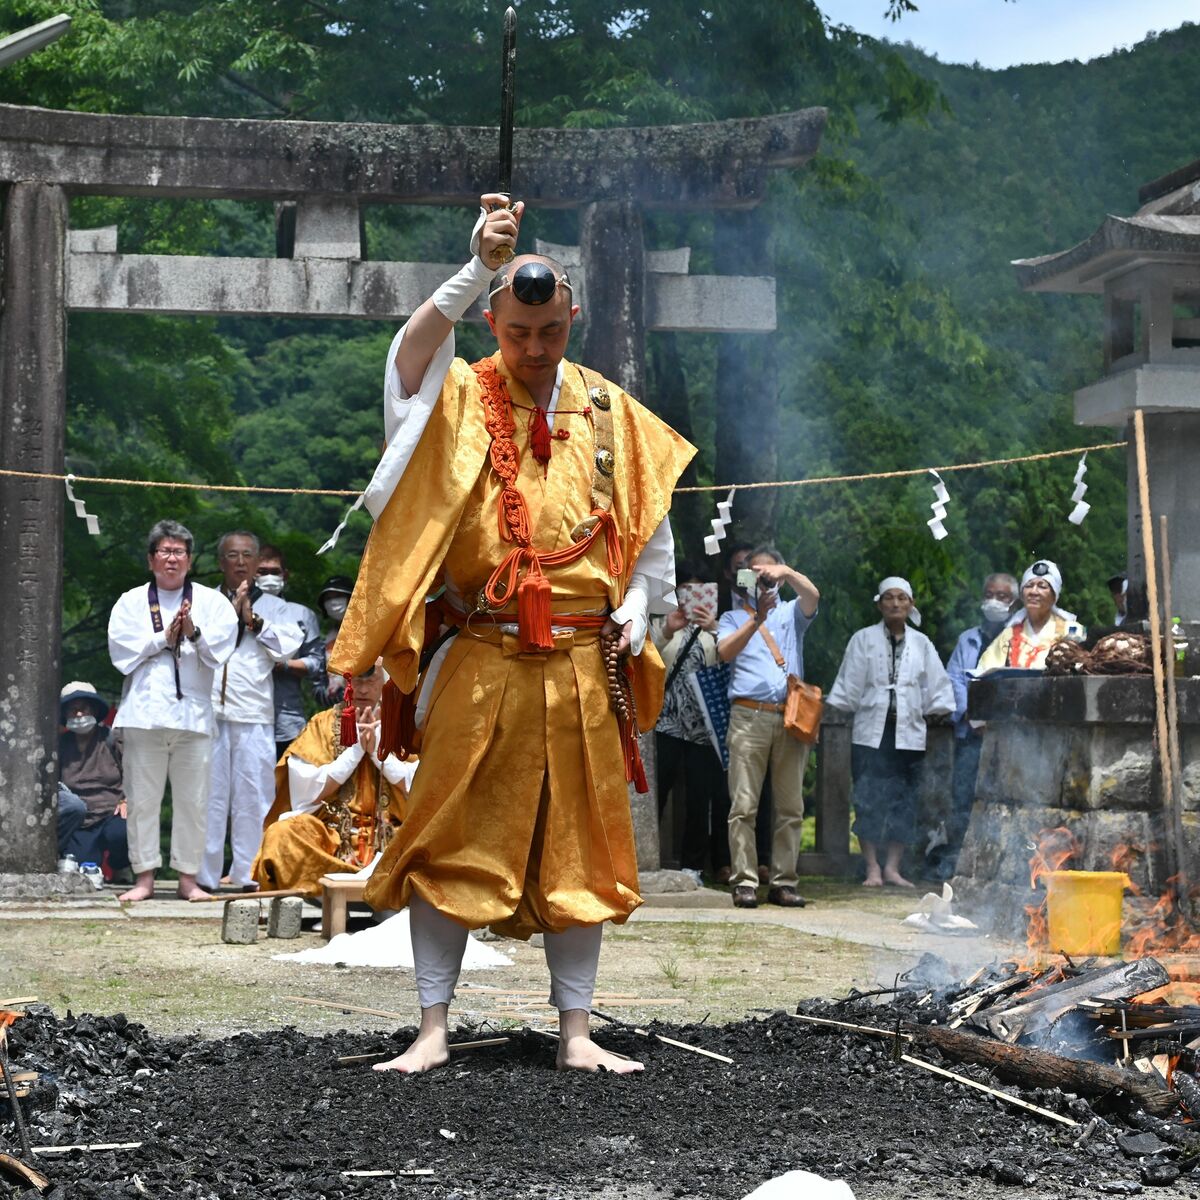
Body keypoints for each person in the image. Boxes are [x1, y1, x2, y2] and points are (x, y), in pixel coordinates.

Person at [330, 192, 694, 1074]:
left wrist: (639, 605)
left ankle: (577, 1033)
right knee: (449, 831)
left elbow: (651, 538)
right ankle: (432, 1029)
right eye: (519, 332)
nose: (534, 350)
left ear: (572, 317)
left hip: (580, 658)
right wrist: (476, 267)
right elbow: (409, 357)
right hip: (482, 650)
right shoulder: (456, 394)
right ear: (496, 319)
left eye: (550, 333)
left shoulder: (610, 412)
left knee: (579, 839)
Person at [107, 520, 240, 901]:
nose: (172, 558)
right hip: (143, 715)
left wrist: (193, 633)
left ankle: (188, 880)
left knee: (194, 802)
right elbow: (121, 656)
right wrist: (161, 639)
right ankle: (144, 879)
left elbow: (220, 654)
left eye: (179, 552)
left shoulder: (212, 603)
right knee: (142, 800)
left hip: (194, 717)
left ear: (189, 559)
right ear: (151, 559)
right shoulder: (131, 601)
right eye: (164, 551)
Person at [826, 577, 955, 889]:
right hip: (871, 732)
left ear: (910, 605)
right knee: (869, 797)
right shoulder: (863, 639)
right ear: (879, 604)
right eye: (889, 598)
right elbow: (849, 685)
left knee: (905, 800)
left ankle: (893, 868)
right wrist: (844, 704)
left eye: (901, 598)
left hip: (908, 732)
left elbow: (936, 685)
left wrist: (937, 708)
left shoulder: (922, 643)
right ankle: (871, 867)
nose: (895, 604)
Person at [252, 661, 415, 895]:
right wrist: (355, 751)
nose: (363, 690)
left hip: (391, 839)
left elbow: (421, 785)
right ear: (346, 684)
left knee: (436, 835)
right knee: (282, 834)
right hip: (332, 839)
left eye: (371, 681)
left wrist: (379, 753)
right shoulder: (322, 724)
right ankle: (328, 894)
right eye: (357, 681)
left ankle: (386, 897)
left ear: (386, 683)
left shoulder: (402, 724)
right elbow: (306, 790)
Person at [198, 531, 303, 892]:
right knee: (207, 797)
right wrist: (228, 616)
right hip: (208, 711)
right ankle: (203, 877)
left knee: (253, 798)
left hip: (254, 711)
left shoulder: (277, 608)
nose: (240, 562)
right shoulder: (204, 601)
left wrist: (252, 619)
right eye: (231, 555)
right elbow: (196, 644)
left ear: (258, 564)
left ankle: (249, 873)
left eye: (247, 555)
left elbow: (287, 648)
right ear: (220, 562)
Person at [716, 547, 819, 909]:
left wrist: (786, 571)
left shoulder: (792, 612)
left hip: (789, 716)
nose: (760, 581)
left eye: (766, 574)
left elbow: (813, 596)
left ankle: (783, 882)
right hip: (748, 716)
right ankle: (743, 880)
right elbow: (725, 652)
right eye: (753, 574)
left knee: (791, 806)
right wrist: (756, 619)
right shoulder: (731, 616)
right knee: (743, 805)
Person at [930, 573, 1018, 880]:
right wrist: (972, 716)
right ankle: (958, 865)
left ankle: (999, 867)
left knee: (1004, 798)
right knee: (963, 798)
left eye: (1003, 596)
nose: (995, 601)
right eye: (990, 594)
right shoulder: (967, 639)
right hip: (969, 733)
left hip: (1007, 736)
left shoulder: (1017, 636)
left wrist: (993, 721)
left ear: (1014, 602)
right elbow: (953, 679)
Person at [652, 562, 730, 881]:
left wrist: (713, 628)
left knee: (700, 798)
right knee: (657, 791)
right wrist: (668, 628)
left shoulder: (718, 629)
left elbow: (729, 657)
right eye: (686, 589)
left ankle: (693, 866)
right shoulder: (661, 623)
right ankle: (643, 860)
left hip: (703, 726)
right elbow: (646, 657)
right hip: (664, 722)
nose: (692, 595)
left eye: (700, 589)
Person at [256, 545, 328, 761]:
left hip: (288, 719)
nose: (269, 577)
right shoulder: (238, 611)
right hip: (245, 717)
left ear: (285, 575)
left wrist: (284, 664)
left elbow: (317, 664)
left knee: (288, 789)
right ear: (252, 573)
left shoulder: (301, 614)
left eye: (274, 571)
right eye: (262, 571)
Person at [56, 681, 129, 875]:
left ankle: (122, 865)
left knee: (122, 835)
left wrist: (128, 800)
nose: (79, 714)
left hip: (113, 811)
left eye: (84, 708)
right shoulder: (60, 745)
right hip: (81, 818)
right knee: (81, 868)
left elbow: (135, 772)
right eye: (73, 709)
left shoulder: (113, 738)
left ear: (94, 710)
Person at [976, 560, 1085, 672]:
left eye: (1042, 586)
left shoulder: (1071, 630)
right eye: (1029, 586)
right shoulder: (1009, 634)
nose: (1034, 592)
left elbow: (1083, 668)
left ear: (1054, 597)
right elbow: (984, 670)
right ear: (1022, 595)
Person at [315, 575, 355, 707]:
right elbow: (319, 684)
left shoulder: (368, 634)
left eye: (338, 595)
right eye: (328, 598)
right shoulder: (327, 641)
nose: (333, 602)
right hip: (337, 710)